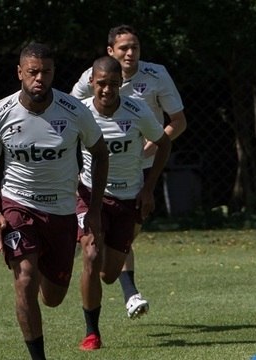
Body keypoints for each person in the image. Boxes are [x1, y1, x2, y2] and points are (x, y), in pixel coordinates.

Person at [0, 43, 109, 360]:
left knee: (52, 297)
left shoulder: (75, 111)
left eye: (46, 72)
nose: (39, 78)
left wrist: (93, 210)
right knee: (24, 278)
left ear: (53, 73)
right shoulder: (0, 113)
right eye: (33, 72)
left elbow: (101, 154)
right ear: (20, 72)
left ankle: (40, 273)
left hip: (62, 213)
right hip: (17, 205)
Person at [71, 24, 187, 319]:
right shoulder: (93, 77)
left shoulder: (157, 75)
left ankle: (118, 281)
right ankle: (129, 293)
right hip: (99, 169)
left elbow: (178, 122)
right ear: (110, 51)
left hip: (143, 167)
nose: (130, 53)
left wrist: (151, 145)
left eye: (135, 47)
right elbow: (70, 113)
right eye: (124, 48)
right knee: (95, 248)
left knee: (123, 239)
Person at [76, 56, 171, 351]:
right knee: (91, 256)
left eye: (113, 84)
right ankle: (92, 334)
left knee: (109, 274)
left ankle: (116, 283)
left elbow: (164, 141)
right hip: (90, 195)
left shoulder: (137, 111)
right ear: (92, 82)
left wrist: (149, 189)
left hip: (129, 197)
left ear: (121, 85)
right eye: (101, 84)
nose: (107, 90)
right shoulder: (80, 113)